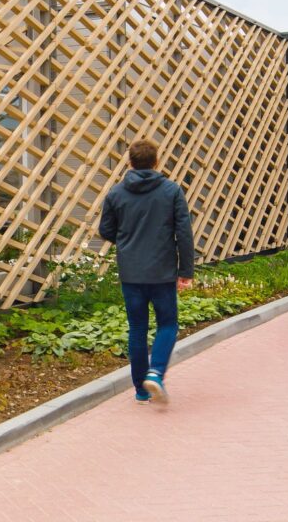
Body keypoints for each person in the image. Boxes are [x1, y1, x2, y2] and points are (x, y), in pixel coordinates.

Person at [98, 137, 196, 407]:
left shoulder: (116, 194)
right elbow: (184, 233)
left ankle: (141, 391)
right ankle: (156, 372)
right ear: (156, 162)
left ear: (130, 162)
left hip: (131, 273)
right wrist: (186, 270)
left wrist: (128, 241)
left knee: (137, 328)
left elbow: (105, 230)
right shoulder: (171, 191)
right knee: (168, 324)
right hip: (162, 272)